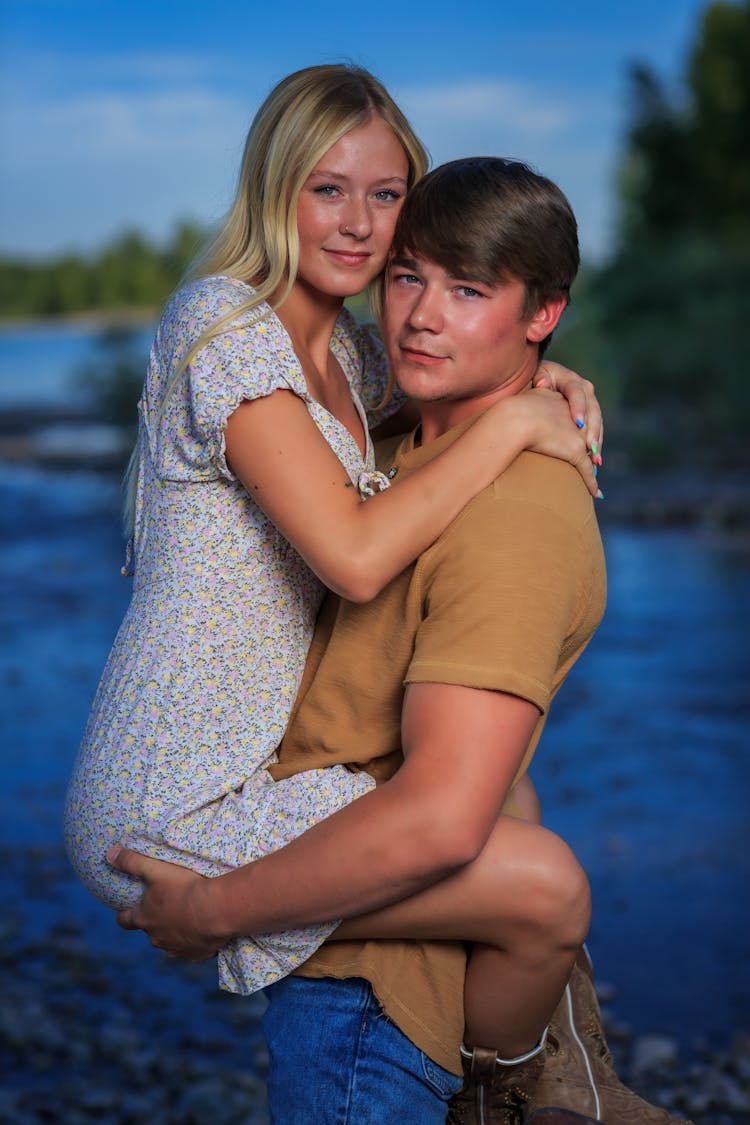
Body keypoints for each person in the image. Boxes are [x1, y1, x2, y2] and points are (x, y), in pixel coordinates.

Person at [109, 158, 688, 1125]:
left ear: (541, 313)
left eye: (469, 291)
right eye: (409, 275)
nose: (421, 315)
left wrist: (213, 911)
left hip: (373, 997)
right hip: (319, 890)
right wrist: (532, 393)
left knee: (543, 890)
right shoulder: (389, 436)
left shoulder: (518, 518)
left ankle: (518, 1084)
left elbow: (442, 820)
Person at [64, 64, 601, 997]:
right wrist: (518, 423)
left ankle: (511, 1062)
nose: (357, 223)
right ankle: (525, 1077)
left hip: (264, 770)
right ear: (277, 191)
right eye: (327, 189)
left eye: (385, 194)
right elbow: (355, 558)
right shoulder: (224, 323)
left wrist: (549, 373)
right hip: (162, 801)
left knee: (506, 791)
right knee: (536, 882)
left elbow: (465, 369)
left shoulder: (354, 353)